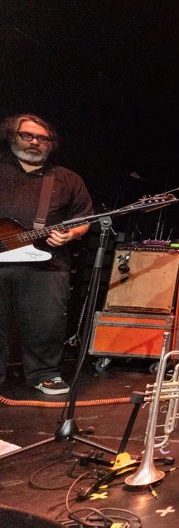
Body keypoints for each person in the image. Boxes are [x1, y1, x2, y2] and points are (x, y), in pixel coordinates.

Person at [0, 114, 92, 395]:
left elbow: (83, 218)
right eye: (27, 135)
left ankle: (44, 374)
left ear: (51, 144)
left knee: (47, 321)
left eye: (42, 138)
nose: (34, 142)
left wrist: (71, 234)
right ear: (12, 137)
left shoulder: (67, 179)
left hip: (47, 263)